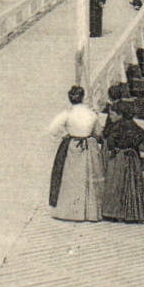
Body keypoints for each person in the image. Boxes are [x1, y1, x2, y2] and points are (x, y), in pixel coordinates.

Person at [46, 86, 104, 222]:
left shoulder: (67, 114)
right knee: (88, 178)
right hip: (89, 146)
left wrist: (65, 134)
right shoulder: (91, 114)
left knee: (70, 179)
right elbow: (99, 133)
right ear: (83, 97)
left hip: (72, 146)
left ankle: (70, 212)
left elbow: (52, 130)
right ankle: (89, 212)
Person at [101, 104, 144, 223]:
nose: (110, 117)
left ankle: (113, 212)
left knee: (116, 183)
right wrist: (132, 145)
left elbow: (110, 141)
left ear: (119, 114)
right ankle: (134, 212)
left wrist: (116, 147)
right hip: (132, 157)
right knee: (132, 184)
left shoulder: (117, 126)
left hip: (119, 157)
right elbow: (143, 134)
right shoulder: (131, 123)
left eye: (112, 114)